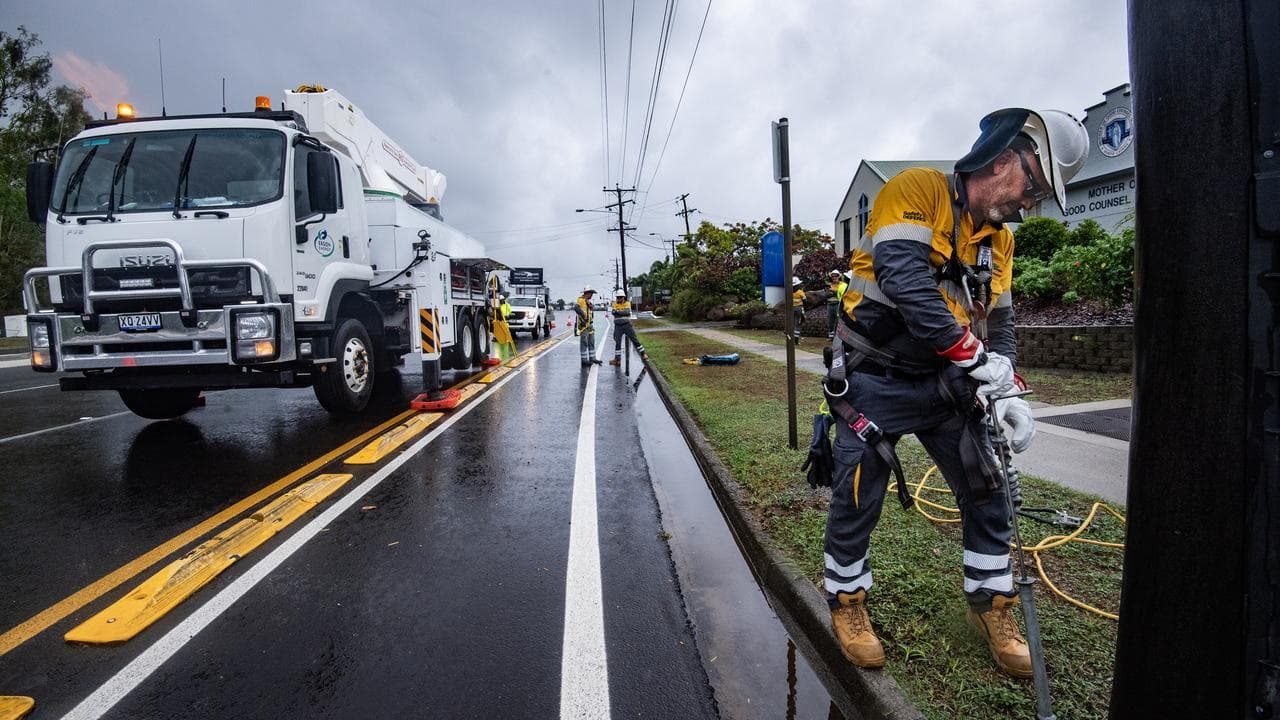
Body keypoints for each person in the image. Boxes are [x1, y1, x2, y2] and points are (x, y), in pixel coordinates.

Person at [820, 108, 1088, 678]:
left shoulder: (1000, 242)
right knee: (857, 495)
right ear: (1002, 161)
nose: (1031, 204)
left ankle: (990, 606)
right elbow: (904, 280)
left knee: (987, 489)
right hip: (875, 377)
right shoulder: (916, 190)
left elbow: (1004, 323)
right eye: (1034, 188)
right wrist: (973, 358)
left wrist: (1008, 386)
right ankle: (848, 603)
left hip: (944, 385)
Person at [608, 288, 645, 366]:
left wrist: (618, 312)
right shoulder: (614, 304)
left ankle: (643, 354)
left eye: (620, 297)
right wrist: (621, 312)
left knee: (634, 340)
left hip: (627, 325)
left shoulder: (627, 303)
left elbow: (627, 312)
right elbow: (613, 312)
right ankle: (617, 359)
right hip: (618, 326)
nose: (619, 298)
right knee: (617, 343)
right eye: (617, 297)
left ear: (623, 297)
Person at [575, 285, 602, 367]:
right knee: (584, 342)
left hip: (589, 325)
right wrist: (583, 314)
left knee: (591, 342)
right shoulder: (580, 300)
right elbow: (576, 308)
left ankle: (592, 358)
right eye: (591, 293)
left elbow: (590, 311)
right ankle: (584, 360)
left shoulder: (588, 302)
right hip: (584, 326)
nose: (592, 295)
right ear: (587, 293)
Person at [826, 269, 848, 338]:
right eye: (833, 276)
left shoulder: (842, 285)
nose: (834, 277)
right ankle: (831, 336)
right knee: (830, 320)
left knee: (838, 320)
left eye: (836, 276)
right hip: (829, 304)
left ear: (839, 276)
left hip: (838, 304)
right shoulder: (829, 285)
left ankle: (838, 336)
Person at [791, 277, 806, 344]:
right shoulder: (800, 292)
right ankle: (796, 341)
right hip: (799, 309)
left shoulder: (789, 292)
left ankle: (791, 339)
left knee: (793, 323)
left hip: (791, 309)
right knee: (798, 324)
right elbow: (805, 300)